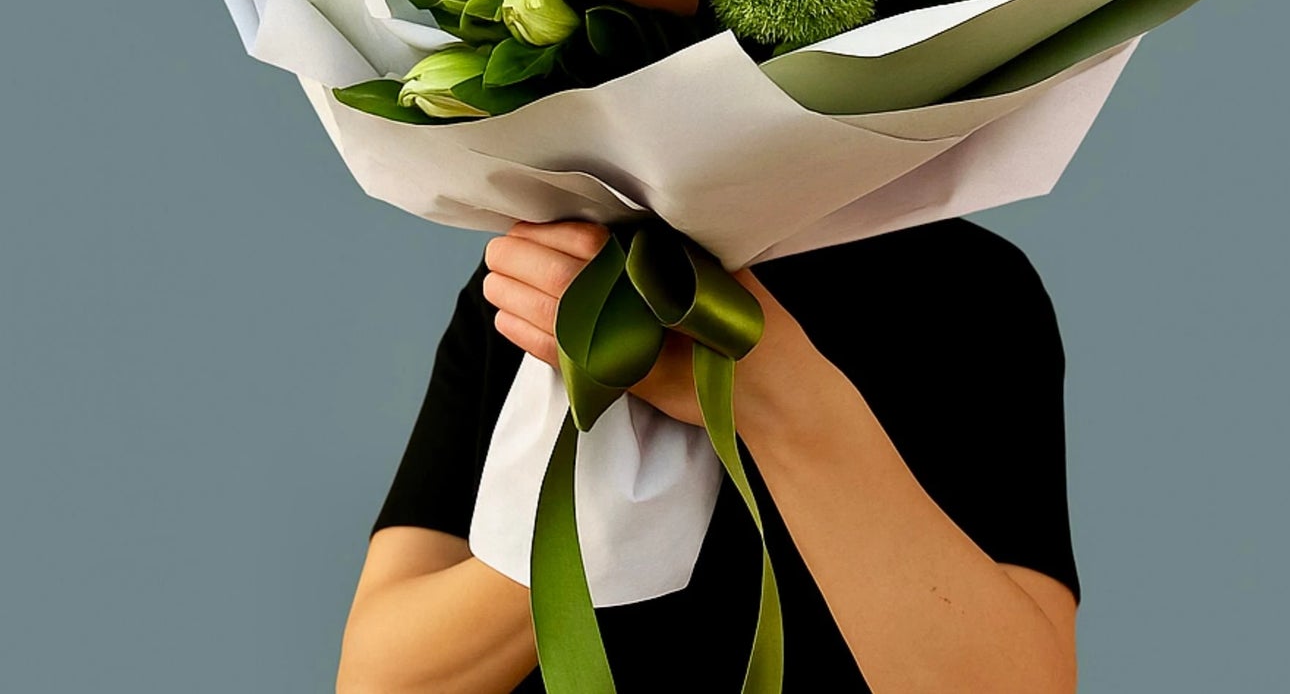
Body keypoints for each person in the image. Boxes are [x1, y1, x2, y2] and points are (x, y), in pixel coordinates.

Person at [336, 217, 1080, 693]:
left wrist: (773, 395)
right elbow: (381, 679)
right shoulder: (544, 284)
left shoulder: (966, 292)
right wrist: (608, 500)